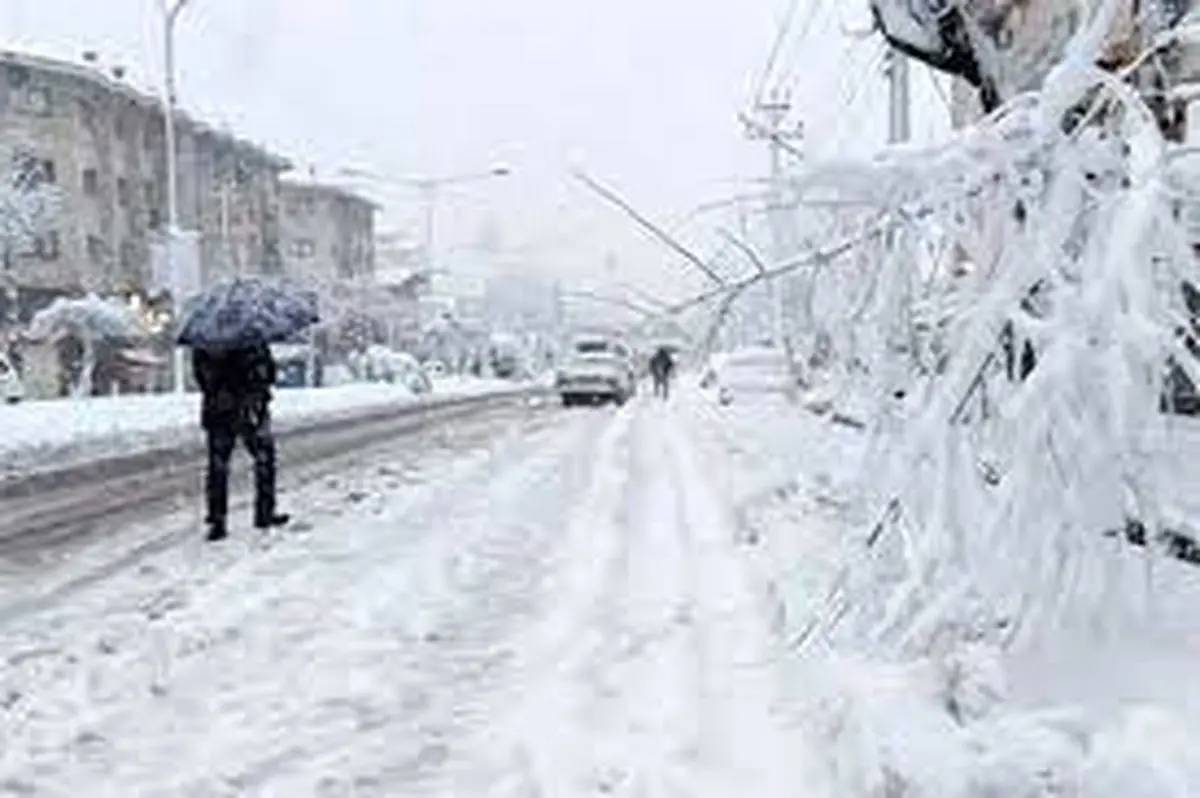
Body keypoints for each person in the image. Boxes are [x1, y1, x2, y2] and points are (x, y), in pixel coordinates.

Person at [193, 341, 290, 542]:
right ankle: (264, 512)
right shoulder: (253, 339)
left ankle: (217, 519)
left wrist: (219, 389)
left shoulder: (207, 341)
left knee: (218, 467)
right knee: (264, 459)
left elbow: (202, 377)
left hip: (219, 410)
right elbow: (267, 374)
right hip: (249, 409)